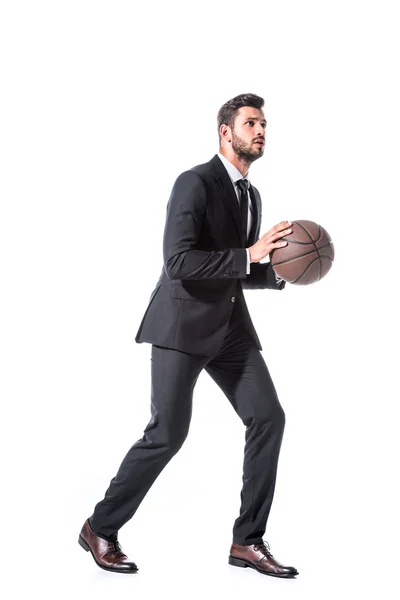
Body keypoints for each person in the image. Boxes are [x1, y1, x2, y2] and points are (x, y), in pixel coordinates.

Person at [78, 93, 298, 578]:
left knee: (269, 418)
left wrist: (278, 270)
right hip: (181, 326)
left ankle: (248, 540)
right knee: (167, 435)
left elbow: (233, 269)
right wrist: (250, 253)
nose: (260, 131)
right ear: (226, 131)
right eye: (251, 123)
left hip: (230, 330)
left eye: (264, 124)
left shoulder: (250, 194)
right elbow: (179, 263)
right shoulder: (194, 182)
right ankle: (100, 527)